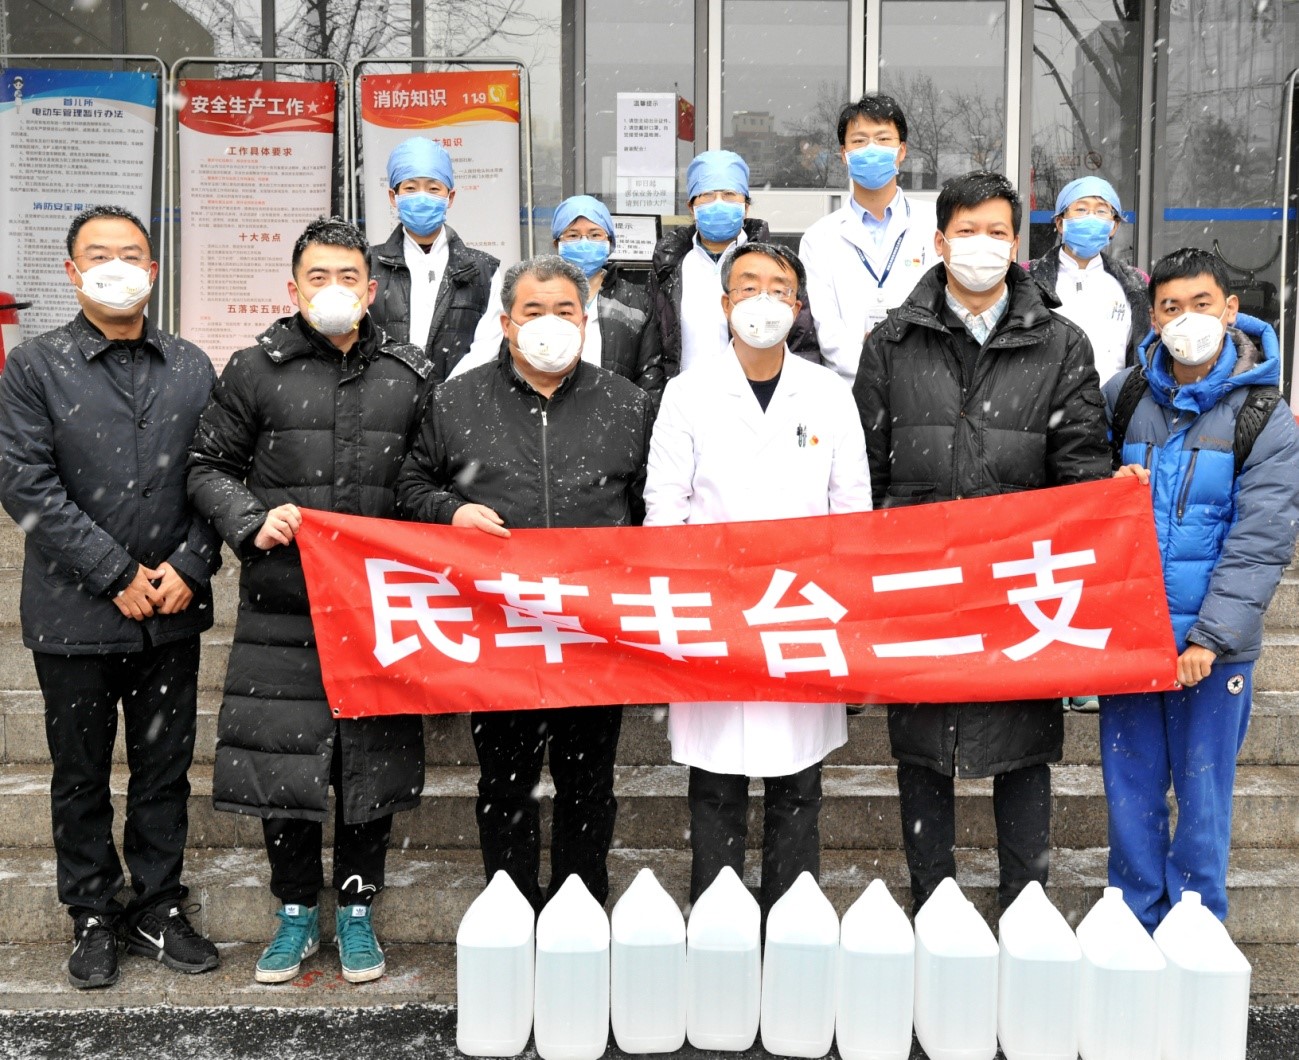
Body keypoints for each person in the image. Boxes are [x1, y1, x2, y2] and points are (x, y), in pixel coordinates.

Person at [852, 171, 1110, 915]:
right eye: (966, 231)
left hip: (1021, 582)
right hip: (920, 582)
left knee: (1024, 753)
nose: (981, 245)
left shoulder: (1060, 342)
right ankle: (931, 905)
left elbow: (1081, 471)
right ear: (939, 242)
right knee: (922, 751)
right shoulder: (892, 342)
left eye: (997, 231)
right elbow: (865, 471)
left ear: (1017, 243)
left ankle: (1025, 907)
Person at [187, 216, 431, 985]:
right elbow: (206, 466)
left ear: (371, 289)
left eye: (346, 277)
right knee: (285, 764)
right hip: (284, 603)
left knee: (369, 766)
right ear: (292, 289)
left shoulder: (409, 373)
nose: (333, 290)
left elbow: (429, 479)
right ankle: (294, 909)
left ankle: (356, 908)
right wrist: (250, 519)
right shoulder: (254, 370)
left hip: (376, 607)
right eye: (317, 277)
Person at [0, 205, 221, 988]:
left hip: (171, 614)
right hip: (74, 616)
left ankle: (158, 906)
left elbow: (217, 474)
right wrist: (115, 573)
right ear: (72, 271)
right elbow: (25, 483)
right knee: (80, 776)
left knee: (164, 774)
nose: (116, 267)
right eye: (98, 255)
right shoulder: (34, 366)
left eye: (131, 254)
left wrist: (191, 563)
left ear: (153, 270)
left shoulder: (191, 365)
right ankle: (91, 912)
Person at [397, 254, 652, 913]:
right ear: (506, 323)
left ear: (586, 320)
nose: (549, 323)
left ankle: (580, 906)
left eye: (564, 310)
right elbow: (410, 485)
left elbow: (653, 509)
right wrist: (449, 511)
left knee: (587, 782)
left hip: (592, 630)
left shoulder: (627, 404)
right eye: (532, 311)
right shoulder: (456, 401)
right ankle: (509, 908)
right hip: (498, 629)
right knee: (504, 783)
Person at [644, 242, 871, 916]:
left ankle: (791, 928)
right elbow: (665, 508)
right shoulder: (687, 394)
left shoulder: (828, 393)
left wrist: (842, 606)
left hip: (801, 613)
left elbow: (851, 511)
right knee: (715, 791)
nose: (763, 300)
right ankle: (719, 933)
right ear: (724, 304)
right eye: (747, 286)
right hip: (714, 614)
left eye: (778, 287)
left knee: (798, 789)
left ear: (797, 307)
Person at [1101, 247, 1299, 931]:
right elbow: (1078, 489)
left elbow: (1261, 536)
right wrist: (1106, 485)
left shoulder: (1263, 412)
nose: (1187, 319)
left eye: (1201, 304)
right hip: (1132, 640)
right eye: (1171, 307)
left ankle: (1194, 927)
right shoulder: (1124, 397)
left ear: (1230, 309)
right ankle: (1132, 921)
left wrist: (1209, 638)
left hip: (1212, 651)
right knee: (1129, 792)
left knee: (1203, 798)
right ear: (1153, 318)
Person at [448, 194, 667, 405]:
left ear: (609, 241)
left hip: (614, 414)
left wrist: (636, 417)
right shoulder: (534, 294)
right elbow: (511, 360)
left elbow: (649, 375)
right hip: (543, 413)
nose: (584, 243)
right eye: (572, 235)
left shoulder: (636, 302)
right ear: (556, 243)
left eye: (595, 235)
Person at [798, 94, 938, 385]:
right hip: (848, 389)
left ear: (901, 151)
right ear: (844, 154)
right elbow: (827, 330)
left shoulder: (935, 224)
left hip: (922, 385)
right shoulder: (818, 238)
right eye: (859, 141)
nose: (871, 148)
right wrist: (874, 365)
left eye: (883, 139)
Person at [651, 149, 819, 375]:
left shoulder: (776, 267)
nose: (719, 203)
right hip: (685, 393)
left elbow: (802, 344)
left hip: (756, 392)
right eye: (707, 195)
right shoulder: (669, 267)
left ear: (746, 206)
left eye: (729, 194)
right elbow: (652, 349)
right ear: (692, 207)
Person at [367, 136, 501, 385]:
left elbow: (488, 345)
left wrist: (446, 393)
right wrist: (396, 390)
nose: (422, 197)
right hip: (386, 399)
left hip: (459, 400)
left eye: (433, 188)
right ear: (393, 197)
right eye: (410, 188)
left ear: (450, 197)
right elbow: (362, 340)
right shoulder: (367, 265)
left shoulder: (484, 270)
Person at [1028, 176, 1150, 388]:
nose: (1091, 217)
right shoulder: (1030, 278)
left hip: (1113, 403)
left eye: (1101, 211)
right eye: (1081, 209)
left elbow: (1141, 353)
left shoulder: (1135, 284)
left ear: (1114, 226)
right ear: (1060, 223)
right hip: (1045, 402)